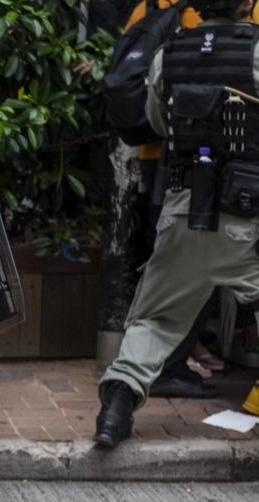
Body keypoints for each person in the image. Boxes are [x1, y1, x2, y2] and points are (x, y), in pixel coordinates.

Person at [95, 0, 259, 447]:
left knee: (154, 319)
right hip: (246, 213)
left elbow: (156, 121)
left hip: (184, 207)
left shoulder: (172, 52)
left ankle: (115, 411)